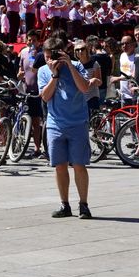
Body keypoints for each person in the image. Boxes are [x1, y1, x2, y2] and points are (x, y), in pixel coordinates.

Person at [38, 37, 101, 219]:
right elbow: (45, 97)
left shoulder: (77, 65)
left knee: (79, 165)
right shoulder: (44, 71)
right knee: (59, 166)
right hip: (55, 124)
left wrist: (70, 66)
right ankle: (64, 204)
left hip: (78, 123)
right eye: (48, 57)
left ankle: (84, 205)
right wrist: (54, 75)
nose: (52, 60)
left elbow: (84, 88)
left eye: (55, 56)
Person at [17, 31, 43, 156]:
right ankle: (20, 145)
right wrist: (19, 74)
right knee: (24, 118)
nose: (31, 42)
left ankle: (37, 148)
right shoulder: (23, 52)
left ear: (38, 42)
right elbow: (20, 69)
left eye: (34, 40)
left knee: (36, 121)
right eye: (29, 40)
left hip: (39, 91)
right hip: (25, 90)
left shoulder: (42, 54)